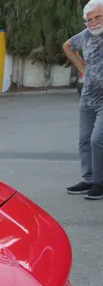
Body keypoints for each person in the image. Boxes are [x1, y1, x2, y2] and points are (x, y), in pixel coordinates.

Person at [65, 0, 103, 200]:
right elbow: (68, 46)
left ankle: (100, 183)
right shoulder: (86, 36)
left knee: (98, 139)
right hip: (88, 96)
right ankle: (88, 180)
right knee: (85, 139)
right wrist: (82, 68)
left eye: (98, 17)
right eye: (90, 19)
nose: (94, 22)